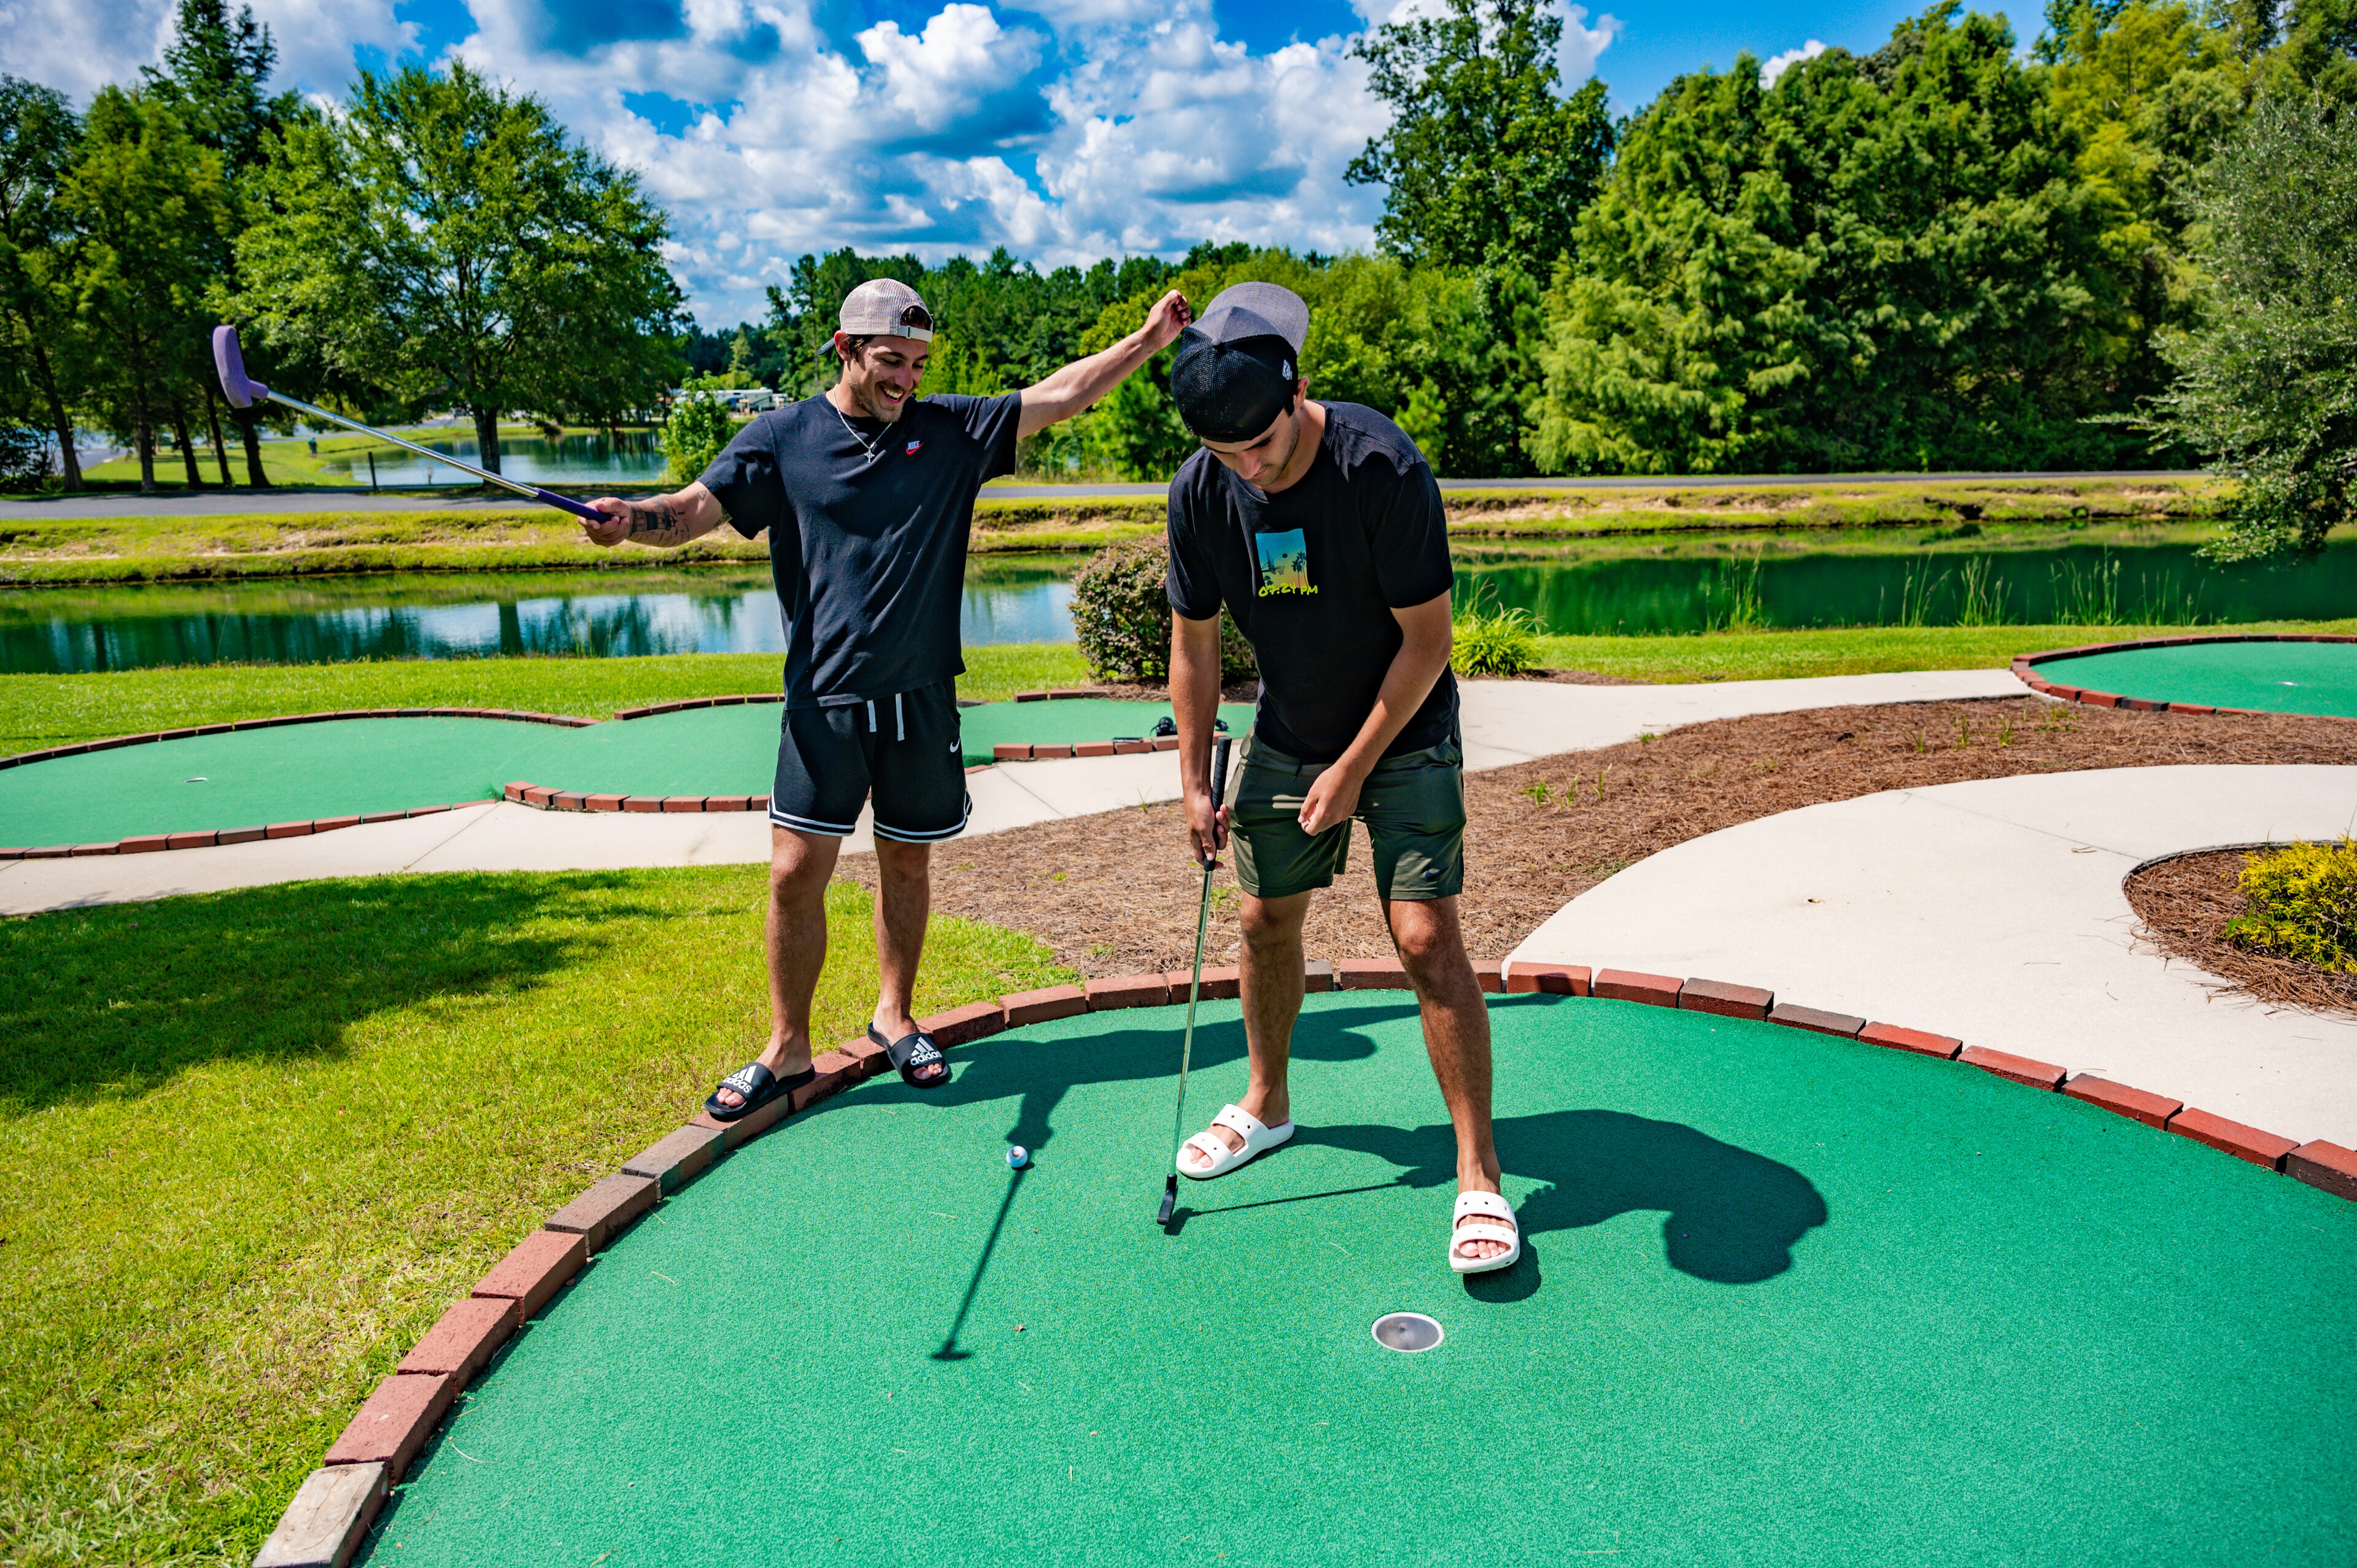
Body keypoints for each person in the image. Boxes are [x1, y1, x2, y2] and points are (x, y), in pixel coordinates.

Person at [582, 277, 1192, 1119]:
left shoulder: (951, 432)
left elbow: (1060, 395)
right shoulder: (782, 438)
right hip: (822, 702)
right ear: (844, 349)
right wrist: (633, 520)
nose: (907, 379)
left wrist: (1148, 341)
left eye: (918, 364)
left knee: (908, 860)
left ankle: (894, 1015)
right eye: (890, 362)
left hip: (920, 702)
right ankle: (787, 1046)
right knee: (796, 874)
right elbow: (693, 511)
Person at [1162, 282, 1515, 1276]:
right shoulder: (1201, 489)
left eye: (1264, 448)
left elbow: (1429, 641)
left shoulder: (1380, 466)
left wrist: (1356, 768)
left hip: (1401, 732)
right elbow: (1192, 646)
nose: (1250, 471)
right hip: (1289, 727)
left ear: (1299, 392)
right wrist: (1193, 778)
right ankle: (1266, 1103)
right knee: (1264, 919)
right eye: (1227, 456)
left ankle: (1478, 1173)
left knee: (1422, 932)